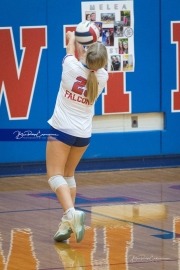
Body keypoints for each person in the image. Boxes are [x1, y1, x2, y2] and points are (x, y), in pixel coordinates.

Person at [46, 31, 108, 243]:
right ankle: (66, 221)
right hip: (83, 135)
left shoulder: (70, 66)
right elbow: (93, 61)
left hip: (62, 129)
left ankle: (72, 214)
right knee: (68, 174)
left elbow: (70, 50)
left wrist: (72, 36)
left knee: (54, 175)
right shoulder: (103, 77)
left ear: (87, 53)